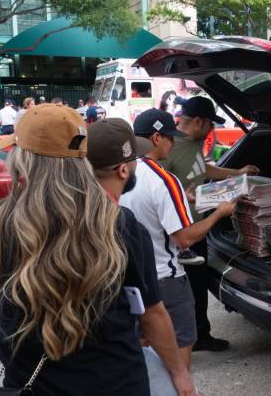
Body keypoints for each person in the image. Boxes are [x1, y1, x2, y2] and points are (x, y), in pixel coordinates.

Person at [0, 104, 177, 396]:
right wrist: (181, 375)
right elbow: (151, 312)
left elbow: (3, 296)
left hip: (31, 385)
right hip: (116, 383)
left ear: (22, 159)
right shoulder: (119, 224)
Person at [87, 118, 199, 396]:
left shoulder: (67, 210)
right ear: (123, 169)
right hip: (164, 287)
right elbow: (152, 312)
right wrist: (181, 376)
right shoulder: (126, 225)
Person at [120, 108, 236, 368]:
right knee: (181, 348)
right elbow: (184, 239)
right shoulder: (164, 180)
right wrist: (219, 213)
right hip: (165, 277)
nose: (174, 143)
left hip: (130, 276)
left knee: (143, 347)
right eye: (170, 138)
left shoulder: (120, 174)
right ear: (156, 138)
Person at [162, 96, 259, 352]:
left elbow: (203, 169)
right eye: (211, 125)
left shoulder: (193, 144)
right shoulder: (169, 146)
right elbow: (159, 187)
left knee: (199, 282)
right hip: (182, 234)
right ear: (198, 121)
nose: (213, 131)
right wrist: (185, 195)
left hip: (199, 227)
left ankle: (201, 334)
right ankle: (185, 343)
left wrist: (237, 173)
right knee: (186, 290)